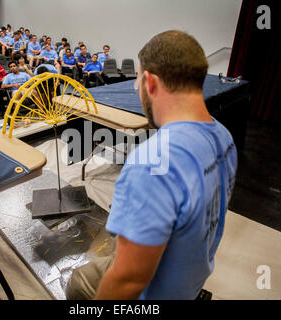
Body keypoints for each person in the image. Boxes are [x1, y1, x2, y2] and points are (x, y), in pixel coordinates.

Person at [66, 30, 238, 300]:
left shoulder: (151, 162)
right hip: (193, 277)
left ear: (150, 82)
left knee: (79, 282)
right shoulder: (225, 136)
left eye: (138, 82)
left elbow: (128, 281)